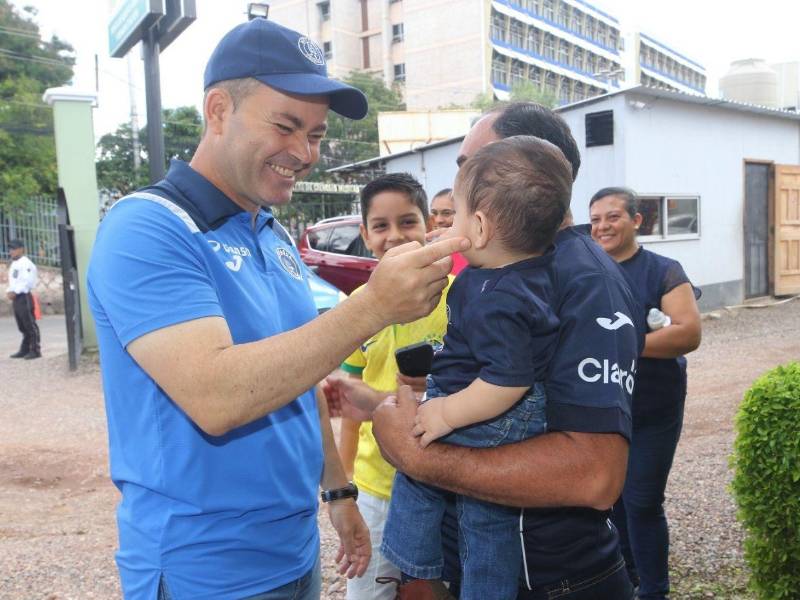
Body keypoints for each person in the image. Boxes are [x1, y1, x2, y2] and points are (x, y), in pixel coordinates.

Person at [87, 18, 467, 600]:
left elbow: (301, 376)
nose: (303, 152)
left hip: (293, 552)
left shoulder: (271, 233)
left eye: (314, 134)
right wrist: (372, 307)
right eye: (286, 126)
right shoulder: (147, 227)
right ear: (218, 110)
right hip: (203, 570)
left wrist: (337, 491)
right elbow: (217, 396)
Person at [329, 102, 644, 599]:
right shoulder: (497, 265)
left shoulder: (587, 283)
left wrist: (417, 455)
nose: (458, 190)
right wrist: (384, 402)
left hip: (552, 581)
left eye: (472, 169)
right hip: (472, 563)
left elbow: (595, 474)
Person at [381, 136, 571, 600]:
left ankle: (412, 570)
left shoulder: (494, 297)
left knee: (416, 465)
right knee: (488, 514)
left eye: (457, 214)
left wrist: (444, 414)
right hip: (509, 407)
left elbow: (508, 381)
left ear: (480, 227)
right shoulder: (529, 272)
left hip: (493, 407)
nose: (447, 224)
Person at [324, 172, 453, 600]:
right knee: (369, 590)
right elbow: (348, 402)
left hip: (444, 482)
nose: (394, 236)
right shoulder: (356, 306)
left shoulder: (460, 297)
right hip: (376, 488)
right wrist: (345, 485)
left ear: (428, 225)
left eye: (407, 222)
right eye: (380, 226)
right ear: (365, 235)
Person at [589, 187, 701, 600]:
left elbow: (688, 333)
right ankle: (627, 577)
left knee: (641, 501)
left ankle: (654, 591)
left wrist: (624, 345)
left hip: (654, 407)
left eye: (613, 217)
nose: (602, 226)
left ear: (637, 221)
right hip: (605, 408)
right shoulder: (587, 271)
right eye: (595, 219)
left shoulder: (663, 270)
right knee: (610, 499)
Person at [6, 239, 40, 359]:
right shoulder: (15, 263)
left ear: (21, 249)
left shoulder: (26, 263)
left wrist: (16, 291)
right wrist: (10, 290)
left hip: (23, 296)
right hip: (16, 297)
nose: (11, 251)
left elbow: (28, 281)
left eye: (14, 249)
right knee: (21, 325)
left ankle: (35, 350)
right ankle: (25, 349)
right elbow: (14, 281)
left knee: (29, 324)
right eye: (10, 249)